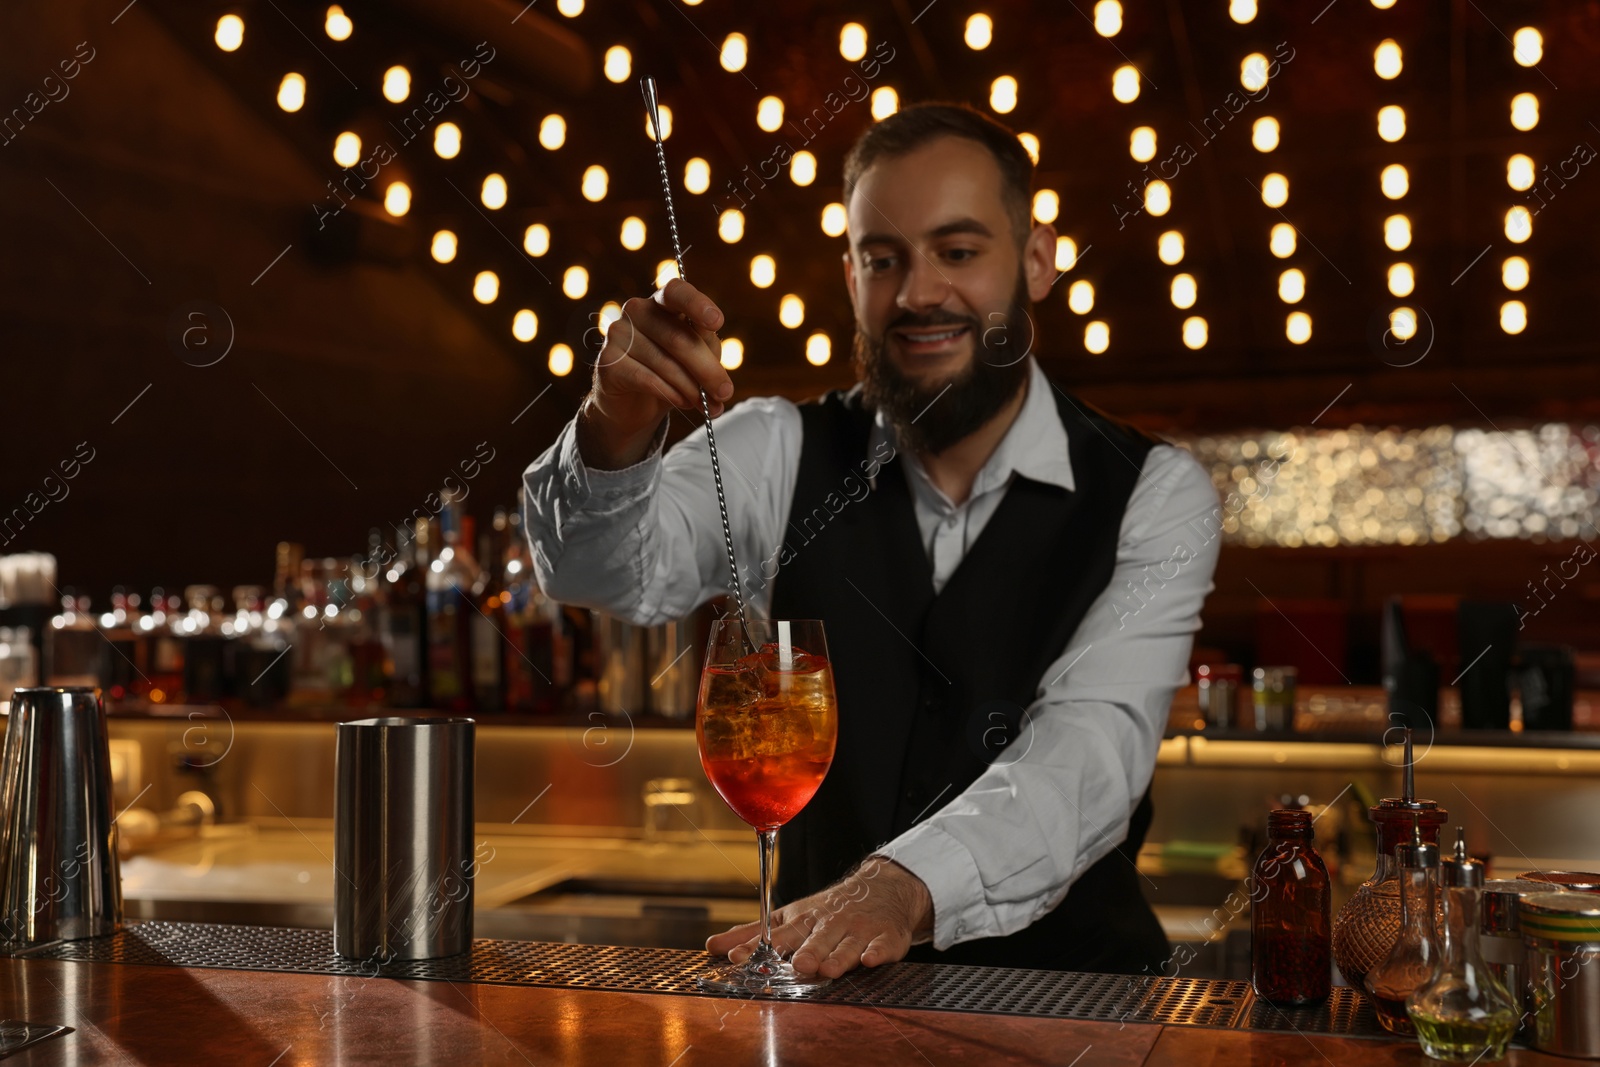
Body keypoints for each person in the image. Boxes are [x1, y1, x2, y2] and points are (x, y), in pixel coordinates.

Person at [523, 103, 1220, 978]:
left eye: (958, 252)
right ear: (849, 274)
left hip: (1078, 1011)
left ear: (1037, 260)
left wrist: (901, 884)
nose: (920, 293)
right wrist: (612, 424)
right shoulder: (778, 449)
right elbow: (593, 573)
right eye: (883, 259)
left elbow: (1091, 753)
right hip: (835, 1011)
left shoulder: (1153, 492)